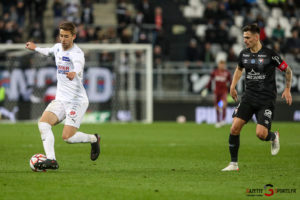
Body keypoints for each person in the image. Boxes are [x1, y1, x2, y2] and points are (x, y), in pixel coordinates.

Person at [25, 21, 101, 170]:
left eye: (66, 36)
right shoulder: (58, 47)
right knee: (43, 124)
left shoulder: (77, 53)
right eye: (61, 36)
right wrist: (35, 48)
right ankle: (51, 160)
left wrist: (75, 72)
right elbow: (49, 51)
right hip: (60, 99)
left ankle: (93, 139)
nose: (63, 39)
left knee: (68, 138)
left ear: (74, 36)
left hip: (76, 101)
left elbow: (78, 65)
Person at [222, 24, 292, 171]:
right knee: (234, 128)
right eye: (244, 38)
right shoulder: (244, 54)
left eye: (247, 38)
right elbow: (239, 69)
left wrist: (287, 89)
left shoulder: (270, 54)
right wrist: (232, 86)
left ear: (256, 37)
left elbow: (287, 70)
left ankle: (273, 136)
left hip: (266, 100)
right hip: (248, 97)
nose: (245, 40)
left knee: (261, 134)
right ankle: (233, 164)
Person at [203, 59, 231, 128]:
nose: (222, 66)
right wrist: (206, 88)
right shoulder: (214, 72)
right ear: (218, 65)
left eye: (223, 64)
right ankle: (218, 121)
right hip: (217, 92)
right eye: (220, 64)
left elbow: (231, 82)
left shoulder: (227, 73)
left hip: (224, 92)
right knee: (217, 107)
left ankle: (223, 120)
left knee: (223, 104)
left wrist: (231, 90)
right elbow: (210, 81)